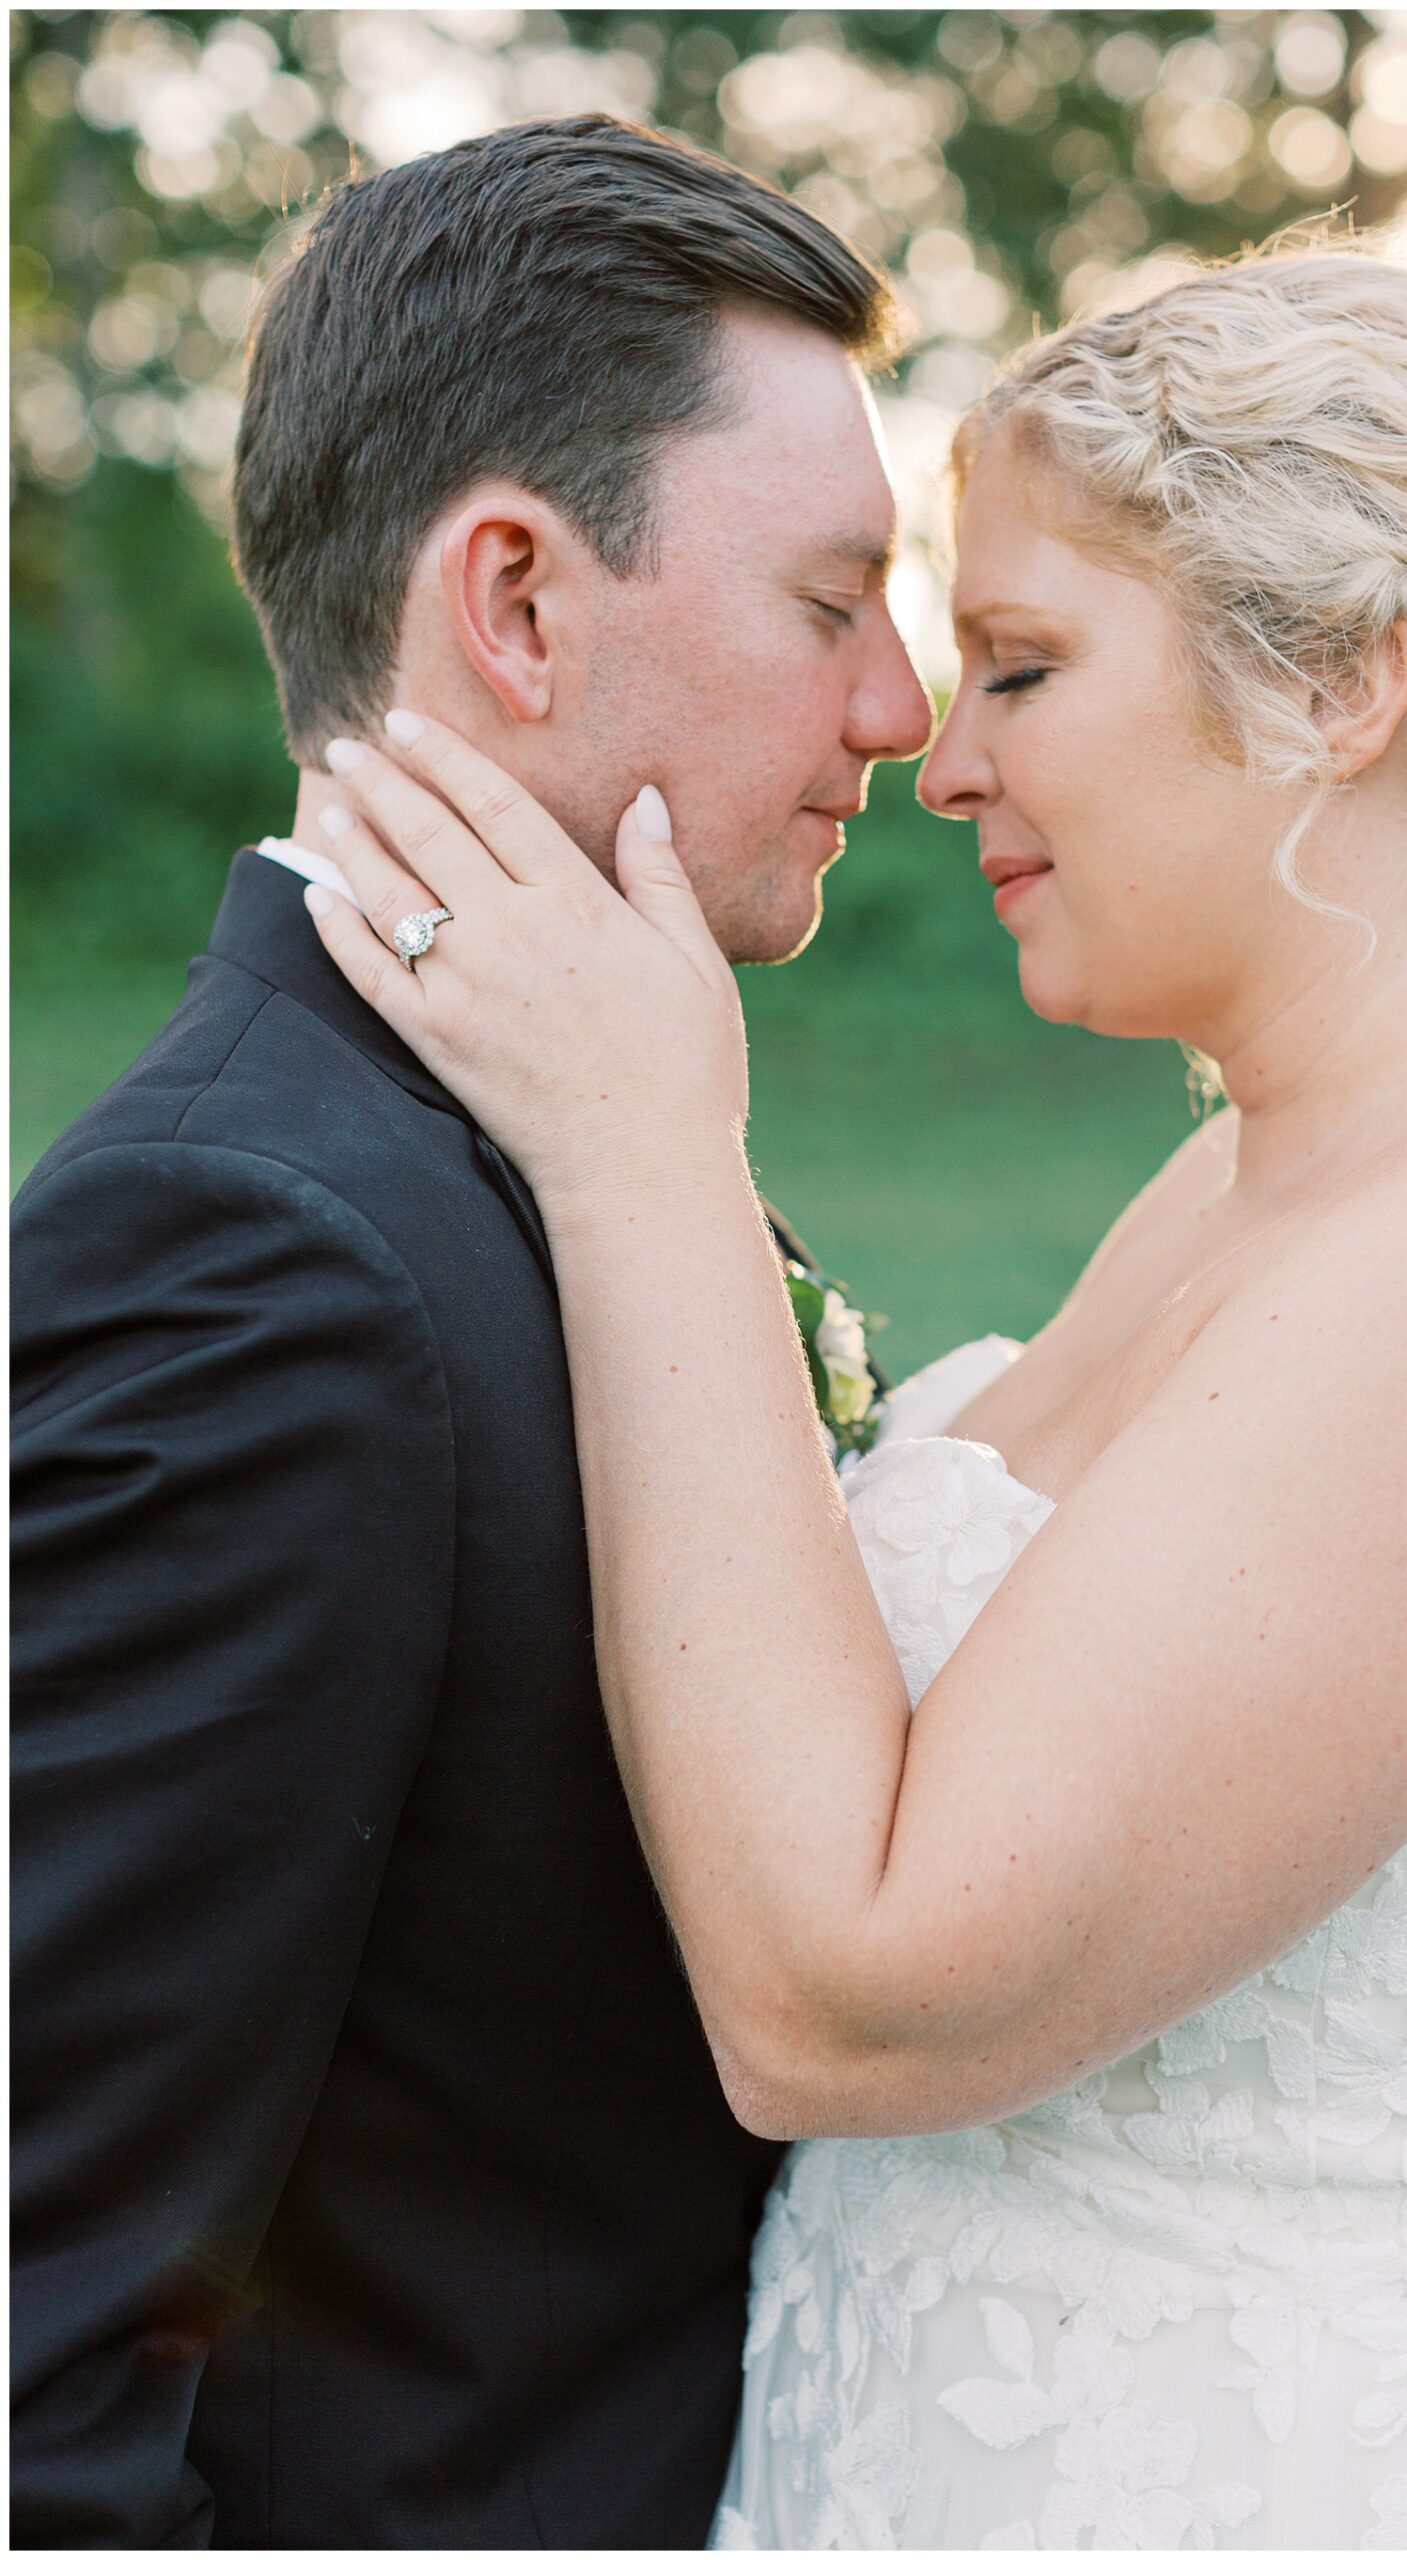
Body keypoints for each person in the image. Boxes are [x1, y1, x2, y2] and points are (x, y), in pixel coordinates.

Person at [301, 242, 1407, 2549]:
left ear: (1342, 681)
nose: (943, 751)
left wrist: (642, 1157)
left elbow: (849, 1998)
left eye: (1021, 661)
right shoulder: (1257, 1170)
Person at [10, 116, 932, 2549]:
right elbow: (31, 2330)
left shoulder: (575, 1129)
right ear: (515, 599)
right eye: (833, 601)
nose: (904, 705)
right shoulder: (252, 1257)